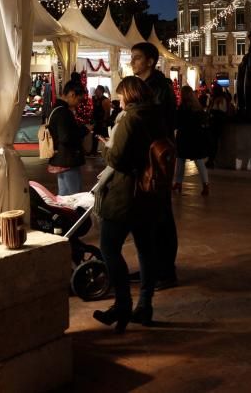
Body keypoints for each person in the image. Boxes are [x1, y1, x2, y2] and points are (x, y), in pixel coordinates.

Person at [93, 76, 168, 332]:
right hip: (150, 193)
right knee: (146, 250)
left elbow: (117, 159)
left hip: (125, 194)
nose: (119, 100)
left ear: (130, 95)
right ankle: (145, 305)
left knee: (109, 248)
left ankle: (122, 305)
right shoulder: (157, 116)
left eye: (121, 95)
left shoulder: (129, 119)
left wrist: (104, 147)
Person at [130, 41, 179, 289]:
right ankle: (151, 267)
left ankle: (166, 271)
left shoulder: (159, 87)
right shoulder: (143, 85)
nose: (132, 62)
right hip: (146, 155)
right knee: (148, 216)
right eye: (132, 58)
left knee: (160, 215)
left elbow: (154, 121)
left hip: (157, 157)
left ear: (150, 61)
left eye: (137, 58)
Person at [46, 82, 89, 195]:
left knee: (64, 194)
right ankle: (74, 213)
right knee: (75, 195)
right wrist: (84, 130)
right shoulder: (63, 112)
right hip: (67, 159)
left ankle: (63, 213)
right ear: (72, 94)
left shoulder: (55, 109)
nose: (78, 104)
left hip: (60, 158)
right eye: (79, 100)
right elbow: (65, 137)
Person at [174, 85, 210, 195]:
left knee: (180, 161)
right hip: (195, 137)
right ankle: (205, 184)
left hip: (184, 137)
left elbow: (177, 122)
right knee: (199, 162)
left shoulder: (182, 108)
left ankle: (178, 183)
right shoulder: (198, 108)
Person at [206, 85, 230, 168]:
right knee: (211, 142)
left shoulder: (221, 99)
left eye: (213, 90)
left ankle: (212, 160)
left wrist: (213, 112)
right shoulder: (214, 99)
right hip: (213, 123)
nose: (211, 92)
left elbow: (222, 111)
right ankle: (211, 159)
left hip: (217, 123)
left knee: (214, 142)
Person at [91, 85, 111, 154]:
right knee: (95, 136)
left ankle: (108, 151)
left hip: (102, 122)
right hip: (96, 121)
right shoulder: (95, 99)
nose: (95, 90)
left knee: (104, 137)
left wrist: (104, 122)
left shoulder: (105, 100)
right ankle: (93, 151)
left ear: (101, 91)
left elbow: (107, 112)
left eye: (97, 89)